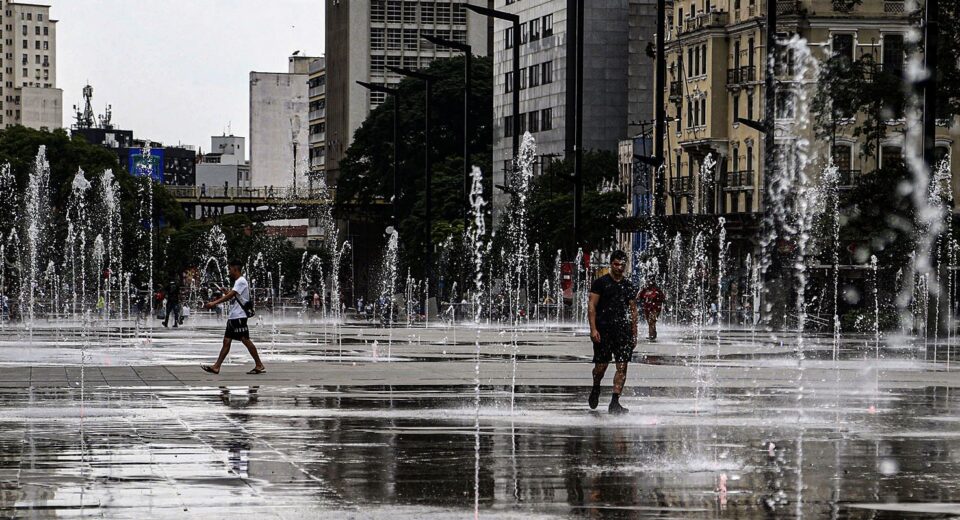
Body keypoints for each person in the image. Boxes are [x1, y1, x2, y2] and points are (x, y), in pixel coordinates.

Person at [587, 250, 638, 414]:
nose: (619, 268)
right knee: (601, 367)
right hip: (603, 331)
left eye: (622, 265)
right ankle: (596, 386)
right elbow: (592, 306)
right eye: (616, 264)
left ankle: (615, 402)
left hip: (623, 332)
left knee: (622, 367)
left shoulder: (628, 286)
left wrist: (634, 333)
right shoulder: (600, 283)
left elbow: (633, 310)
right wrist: (593, 328)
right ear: (611, 264)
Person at [201, 260, 266, 375]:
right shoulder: (238, 282)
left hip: (239, 317)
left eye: (230, 269)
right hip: (234, 317)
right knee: (226, 341)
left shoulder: (241, 281)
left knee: (245, 340)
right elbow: (233, 296)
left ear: (235, 269)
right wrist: (226, 292)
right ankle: (216, 367)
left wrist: (214, 303)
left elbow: (231, 295)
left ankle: (259, 364)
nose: (229, 271)